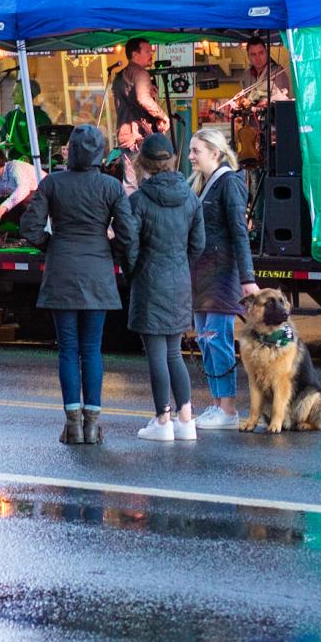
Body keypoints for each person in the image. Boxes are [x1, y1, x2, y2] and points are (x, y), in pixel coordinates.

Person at [20, 124, 137, 444]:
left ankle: (72, 424)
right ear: (100, 152)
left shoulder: (53, 184)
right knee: (92, 350)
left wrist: (51, 245)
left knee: (68, 351)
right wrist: (108, 252)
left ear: (71, 150)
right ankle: (92, 424)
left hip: (61, 272)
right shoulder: (110, 188)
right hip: (98, 274)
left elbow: (29, 227)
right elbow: (128, 234)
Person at [127, 134, 206, 443]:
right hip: (179, 280)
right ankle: (186, 420)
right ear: (172, 160)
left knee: (156, 355)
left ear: (142, 164)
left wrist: (134, 271)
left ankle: (163, 421)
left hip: (149, 280)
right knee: (174, 352)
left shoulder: (138, 200)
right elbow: (197, 245)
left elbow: (130, 246)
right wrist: (179, 266)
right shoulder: (190, 197)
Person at [188, 128, 261, 429]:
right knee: (206, 340)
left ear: (215, 153)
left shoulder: (229, 182)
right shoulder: (206, 183)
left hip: (222, 273)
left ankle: (228, 410)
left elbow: (239, 232)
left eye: (196, 151)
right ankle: (218, 404)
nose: (191, 156)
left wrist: (247, 277)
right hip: (203, 273)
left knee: (217, 340)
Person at [114, 38, 170, 192]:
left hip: (126, 136)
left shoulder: (120, 77)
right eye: (147, 51)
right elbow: (143, 99)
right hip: (141, 137)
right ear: (135, 54)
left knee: (130, 183)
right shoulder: (141, 73)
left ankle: (131, 214)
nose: (151, 54)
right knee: (149, 180)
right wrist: (163, 116)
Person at [220, 39, 292, 112]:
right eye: (253, 54)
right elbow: (244, 98)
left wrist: (253, 103)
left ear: (266, 53)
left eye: (261, 53)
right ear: (248, 56)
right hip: (251, 121)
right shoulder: (246, 75)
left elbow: (281, 100)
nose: (258, 58)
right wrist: (241, 102)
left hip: (273, 119)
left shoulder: (277, 72)